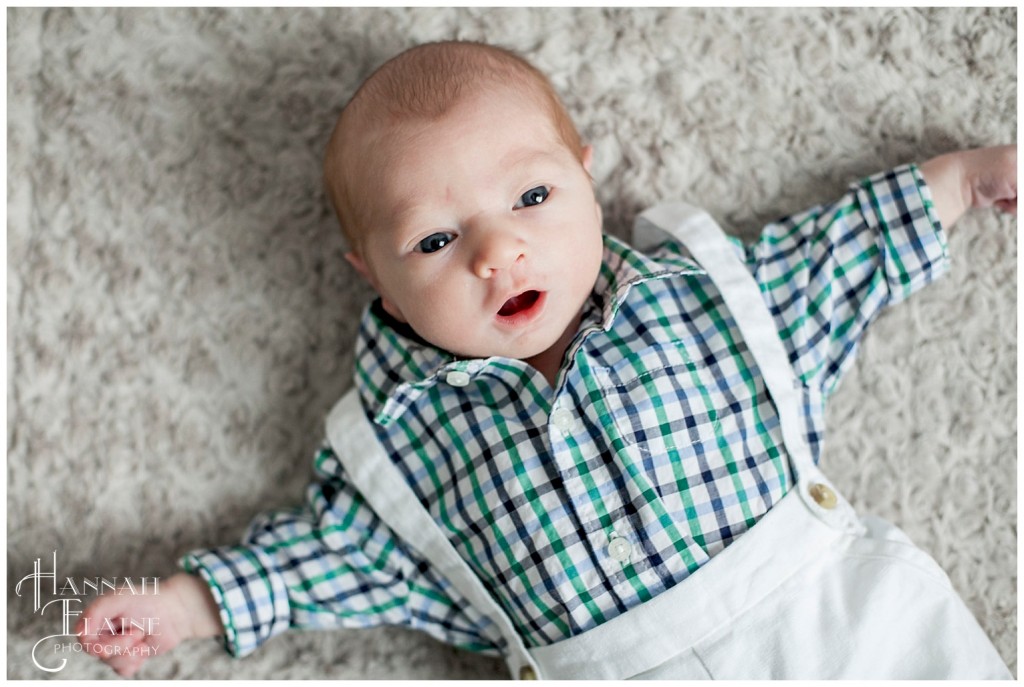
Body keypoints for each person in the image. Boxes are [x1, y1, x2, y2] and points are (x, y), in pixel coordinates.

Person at [77, 40, 1016, 679]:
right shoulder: (402, 444)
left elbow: (837, 256)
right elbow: (323, 560)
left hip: (845, 632)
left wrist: (966, 180)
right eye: (436, 242)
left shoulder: (705, 297)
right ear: (377, 280)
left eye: (530, 194)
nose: (497, 252)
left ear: (585, 174)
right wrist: (181, 605)